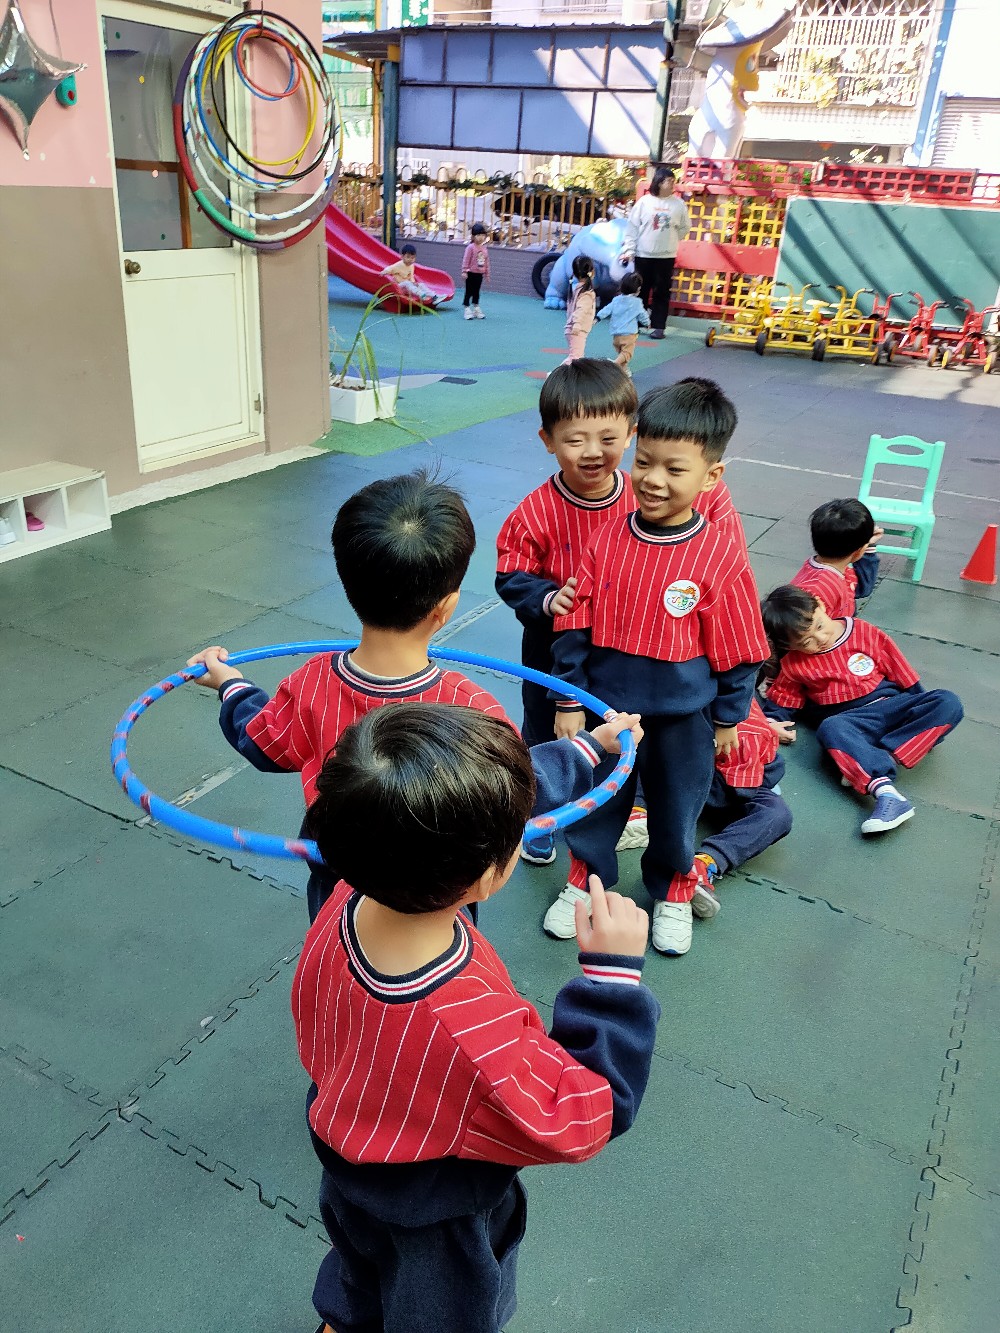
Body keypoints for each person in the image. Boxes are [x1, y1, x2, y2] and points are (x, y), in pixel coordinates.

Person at [294, 703, 660, 1333]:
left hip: (348, 1157)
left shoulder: (349, 891)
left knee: (359, 1262)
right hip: (437, 1212)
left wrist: (588, 748)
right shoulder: (464, 1026)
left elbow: (455, 807)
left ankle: (346, 1321)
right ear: (489, 875)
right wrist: (611, 979)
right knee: (439, 1313)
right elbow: (583, 1114)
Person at [188, 471, 639, 922]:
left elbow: (262, 739)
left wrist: (231, 684)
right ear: (447, 606)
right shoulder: (470, 706)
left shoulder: (310, 685)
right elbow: (517, 789)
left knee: (336, 954)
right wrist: (591, 746)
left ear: (349, 585)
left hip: (340, 880)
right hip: (440, 889)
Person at [544, 378, 770, 956]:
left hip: (682, 718)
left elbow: (741, 646)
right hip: (607, 712)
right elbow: (573, 624)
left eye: (675, 469)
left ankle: (672, 890)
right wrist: (569, 699)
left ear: (711, 477)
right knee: (597, 803)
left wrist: (729, 718)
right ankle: (586, 882)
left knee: (676, 811)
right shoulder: (606, 540)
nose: (653, 479)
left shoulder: (719, 553)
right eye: (644, 462)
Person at [495, 361, 643, 862]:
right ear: (548, 441)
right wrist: (545, 597)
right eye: (576, 440)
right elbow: (510, 573)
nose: (593, 451)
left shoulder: (641, 499)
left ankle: (615, 803)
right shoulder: (536, 512)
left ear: (631, 433)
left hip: (618, 644)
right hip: (551, 646)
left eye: (609, 438)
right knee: (545, 728)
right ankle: (538, 813)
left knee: (617, 720)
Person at [760, 585, 963, 835]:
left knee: (948, 702)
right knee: (831, 727)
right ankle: (887, 794)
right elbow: (782, 701)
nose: (820, 639)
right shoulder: (794, 664)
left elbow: (903, 673)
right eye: (806, 642)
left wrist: (921, 717)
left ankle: (866, 760)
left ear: (820, 604)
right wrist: (770, 724)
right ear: (789, 646)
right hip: (852, 722)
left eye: (819, 626)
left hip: (893, 706)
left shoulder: (865, 632)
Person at [693, 698, 793, 905]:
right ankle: (638, 810)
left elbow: (748, 787)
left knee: (777, 814)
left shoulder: (753, 733)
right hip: (693, 773)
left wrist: (769, 728)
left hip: (733, 781)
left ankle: (705, 862)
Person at [619, 166, 690, 340]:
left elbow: (685, 227)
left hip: (666, 256)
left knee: (662, 292)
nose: (672, 184)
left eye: (673, 181)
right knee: (639, 291)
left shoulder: (678, 204)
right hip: (643, 254)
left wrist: (671, 239)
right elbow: (632, 227)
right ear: (658, 182)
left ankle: (658, 327)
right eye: (668, 181)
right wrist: (629, 249)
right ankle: (637, 323)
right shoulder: (644, 202)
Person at [791, 498, 883, 619]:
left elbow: (863, 588)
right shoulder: (819, 591)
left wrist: (867, 545)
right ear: (859, 552)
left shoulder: (832, 572)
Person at [595, 271, 651, 376]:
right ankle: (614, 364)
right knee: (627, 353)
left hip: (616, 334)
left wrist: (598, 317)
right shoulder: (637, 302)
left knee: (622, 353)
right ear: (638, 289)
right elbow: (642, 315)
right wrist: (647, 323)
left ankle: (624, 371)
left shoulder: (616, 300)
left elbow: (607, 309)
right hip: (629, 334)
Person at [563, 255, 597, 363]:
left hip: (572, 328)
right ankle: (557, 372)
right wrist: (577, 324)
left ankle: (561, 372)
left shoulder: (577, 289)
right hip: (577, 329)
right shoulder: (587, 293)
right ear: (591, 271)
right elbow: (581, 310)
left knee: (576, 357)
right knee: (575, 358)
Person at [462, 221, 490, 320]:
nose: (481, 237)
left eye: (483, 235)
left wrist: (487, 274)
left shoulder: (484, 249)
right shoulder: (470, 247)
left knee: (477, 292)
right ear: (473, 236)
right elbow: (466, 259)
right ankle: (466, 308)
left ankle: (476, 307)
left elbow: (486, 262)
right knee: (469, 291)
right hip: (470, 273)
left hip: (479, 274)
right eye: (478, 235)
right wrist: (464, 271)